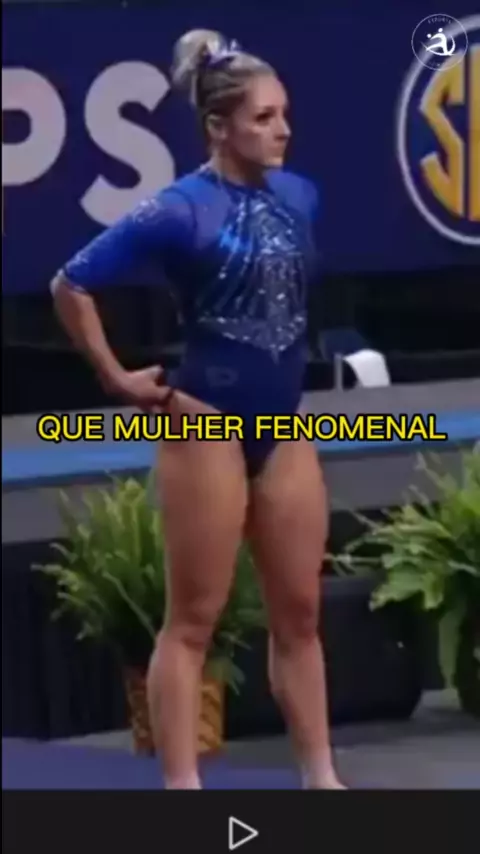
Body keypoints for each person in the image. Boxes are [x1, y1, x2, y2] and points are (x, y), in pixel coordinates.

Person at [51, 29, 345, 790]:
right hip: (205, 422)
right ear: (218, 126)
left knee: (300, 613)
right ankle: (183, 790)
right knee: (194, 620)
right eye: (263, 117)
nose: (283, 130)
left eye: (284, 114)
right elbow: (71, 283)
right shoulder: (180, 210)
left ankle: (321, 777)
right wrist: (117, 378)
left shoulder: (300, 196)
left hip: (283, 424)